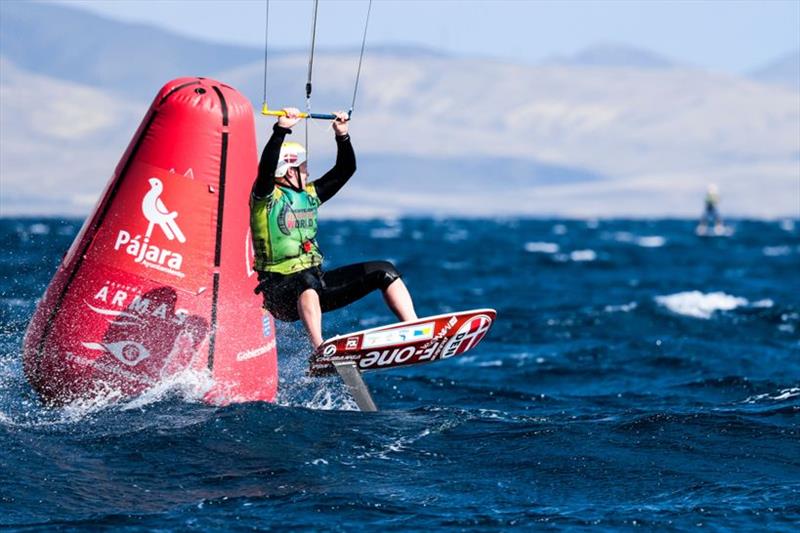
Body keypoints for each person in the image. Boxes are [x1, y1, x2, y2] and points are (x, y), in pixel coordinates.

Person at [250, 108, 417, 350]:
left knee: (384, 270)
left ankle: (414, 330)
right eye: (303, 166)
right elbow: (265, 169)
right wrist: (281, 130)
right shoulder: (265, 198)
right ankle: (319, 349)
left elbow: (345, 170)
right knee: (306, 281)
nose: (308, 172)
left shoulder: (310, 195)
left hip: (316, 287)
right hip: (279, 295)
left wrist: (342, 135)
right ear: (288, 170)